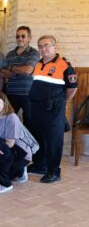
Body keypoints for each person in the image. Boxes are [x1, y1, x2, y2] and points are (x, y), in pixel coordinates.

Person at [28, 35, 77, 183]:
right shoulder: (38, 64)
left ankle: (54, 171)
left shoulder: (64, 64)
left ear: (54, 46)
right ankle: (39, 165)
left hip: (54, 109)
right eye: (41, 46)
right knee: (39, 137)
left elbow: (72, 88)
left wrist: (61, 101)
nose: (44, 49)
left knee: (53, 140)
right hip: (37, 108)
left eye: (47, 45)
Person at [0, 91, 33, 194]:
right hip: (3, 149)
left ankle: (5, 184)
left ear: (4, 103)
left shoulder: (12, 117)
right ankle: (19, 171)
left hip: (20, 153)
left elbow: (10, 143)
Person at [0, 26, 40, 132]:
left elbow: (27, 70)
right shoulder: (10, 54)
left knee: (29, 124)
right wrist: (18, 71)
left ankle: (28, 147)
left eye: (23, 36)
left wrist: (12, 68)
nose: (20, 39)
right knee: (8, 122)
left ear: (29, 38)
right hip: (11, 93)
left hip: (28, 94)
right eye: (18, 36)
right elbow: (3, 72)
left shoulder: (34, 53)